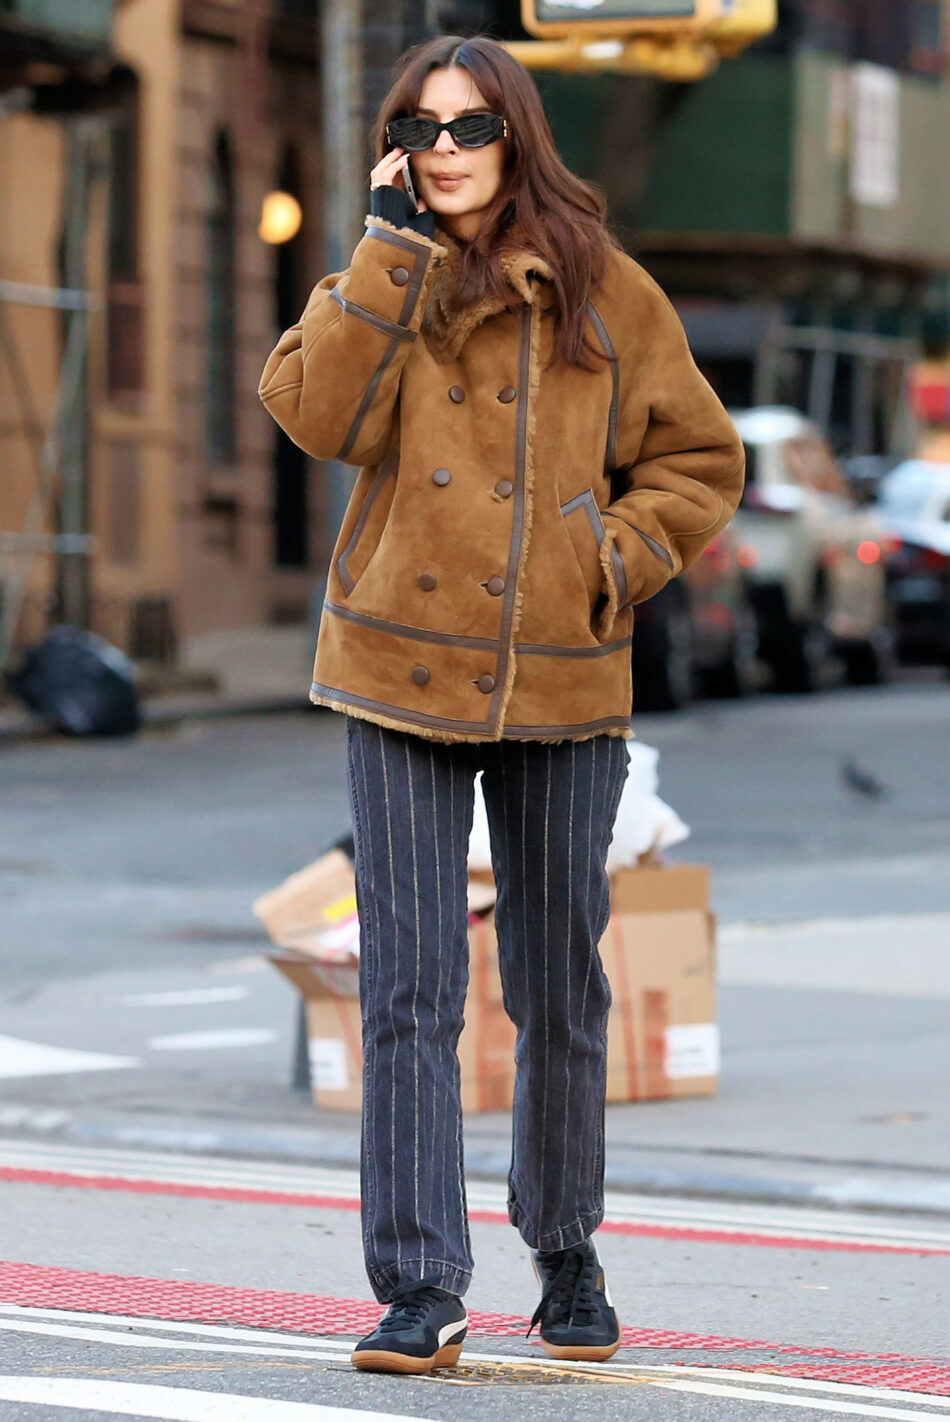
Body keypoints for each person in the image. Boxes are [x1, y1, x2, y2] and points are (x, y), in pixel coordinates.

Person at [259, 33, 744, 1377]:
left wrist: (613, 556)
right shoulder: (378, 275)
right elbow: (312, 416)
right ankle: (419, 1283)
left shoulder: (604, 287)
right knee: (406, 992)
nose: (448, 150)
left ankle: (567, 1244)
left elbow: (697, 458)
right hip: (393, 669)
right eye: (422, 126)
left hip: (561, 676)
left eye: (473, 127)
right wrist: (385, 253)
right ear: (395, 145)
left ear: (517, 137)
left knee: (556, 986)